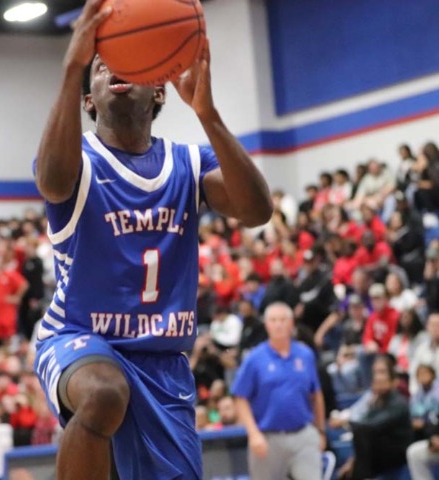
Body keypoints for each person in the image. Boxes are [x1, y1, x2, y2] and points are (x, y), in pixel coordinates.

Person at [31, 0, 273, 478]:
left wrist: (208, 114)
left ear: (158, 90)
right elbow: (53, 183)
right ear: (88, 100)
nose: (112, 71)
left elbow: (256, 210)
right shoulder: (75, 157)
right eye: (101, 67)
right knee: (104, 394)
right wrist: (71, 68)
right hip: (79, 336)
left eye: (127, 62)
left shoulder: (189, 162)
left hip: (163, 360)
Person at [232, 303, 325, 480]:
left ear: (291, 324)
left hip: (303, 434)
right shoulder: (255, 358)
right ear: (266, 325)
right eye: (273, 320)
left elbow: (316, 394)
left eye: (283, 320)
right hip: (267, 437)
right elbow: (240, 397)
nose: (278, 325)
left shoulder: (305, 355)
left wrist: (320, 430)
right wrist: (253, 433)